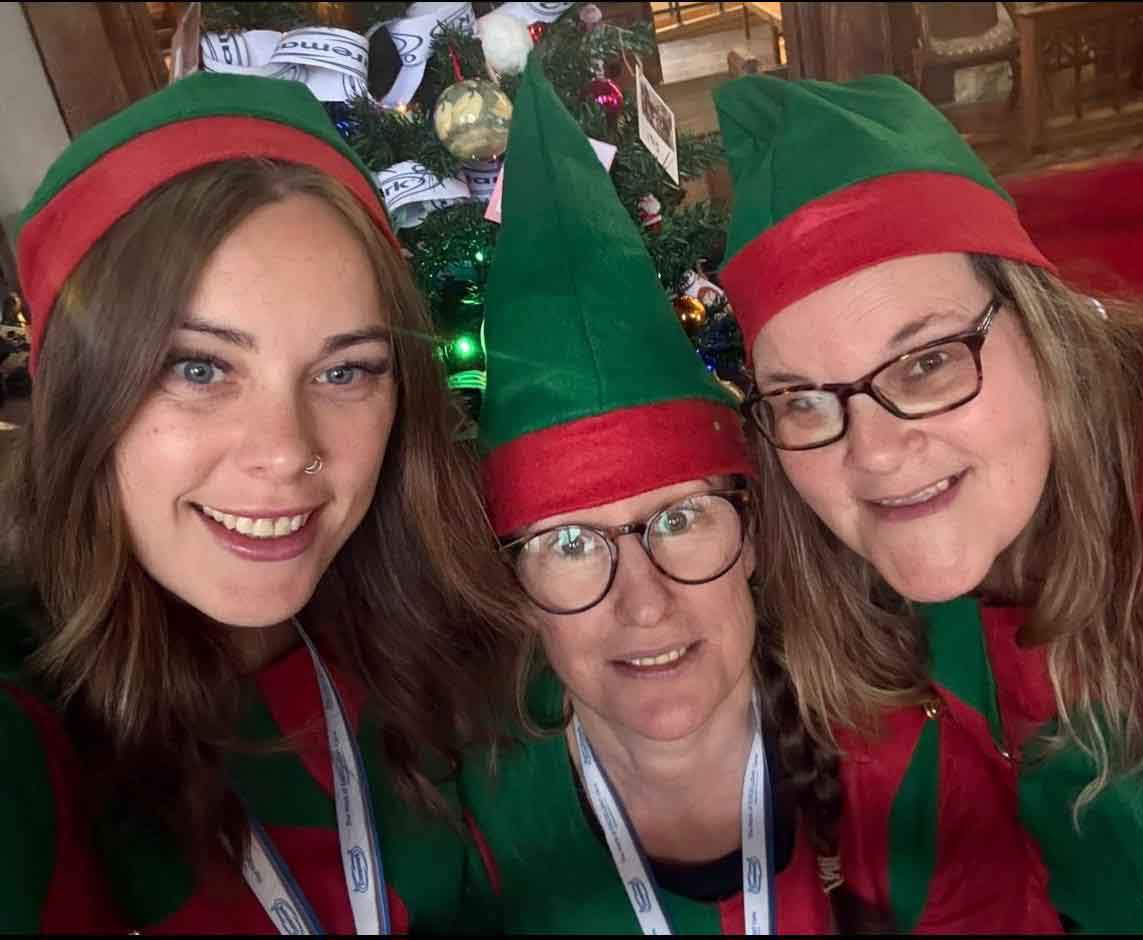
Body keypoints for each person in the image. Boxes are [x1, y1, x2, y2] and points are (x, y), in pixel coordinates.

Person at [455, 56, 1060, 934]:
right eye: (569, 543)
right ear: (513, 586)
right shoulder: (454, 812)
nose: (644, 603)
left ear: (755, 534)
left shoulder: (910, 757)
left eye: (681, 519)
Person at [0, 71, 521, 933]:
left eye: (344, 370)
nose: (286, 451)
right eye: (198, 368)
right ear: (79, 395)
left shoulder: (446, 631)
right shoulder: (26, 732)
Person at [714, 72, 1143, 932]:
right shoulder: (853, 598)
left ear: (1045, 330)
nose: (875, 453)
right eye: (804, 400)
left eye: (925, 362)